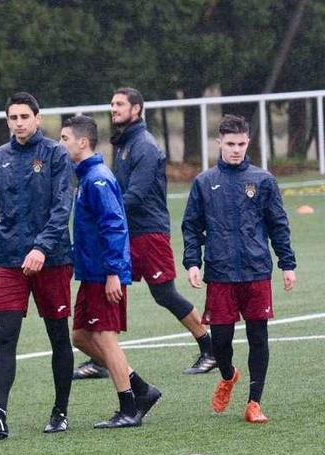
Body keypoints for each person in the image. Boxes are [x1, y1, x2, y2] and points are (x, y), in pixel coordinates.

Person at [73, 87, 215, 379]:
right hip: (126, 232)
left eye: (120, 104)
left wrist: (102, 211)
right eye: (112, 104)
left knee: (164, 293)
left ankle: (209, 347)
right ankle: (102, 359)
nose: (114, 109)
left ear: (136, 109)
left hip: (148, 233)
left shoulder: (145, 146)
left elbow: (134, 196)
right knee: (108, 292)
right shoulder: (124, 143)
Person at [182, 114, 297, 423]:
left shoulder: (262, 180)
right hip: (220, 274)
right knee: (220, 341)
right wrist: (192, 261)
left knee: (259, 336)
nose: (236, 149)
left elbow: (278, 225)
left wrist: (287, 264)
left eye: (241, 144)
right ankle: (229, 375)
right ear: (219, 142)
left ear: (249, 143)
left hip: (256, 272)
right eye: (230, 144)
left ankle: (254, 402)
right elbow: (191, 227)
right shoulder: (205, 182)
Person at [0, 92, 74, 439]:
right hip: (10, 260)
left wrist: (42, 248)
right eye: (13, 118)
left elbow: (62, 207)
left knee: (58, 335)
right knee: (5, 335)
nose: (18, 123)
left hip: (53, 260)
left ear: (37, 118)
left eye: (24, 117)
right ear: (7, 121)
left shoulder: (56, 154)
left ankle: (60, 412)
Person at [60, 115, 161, 428]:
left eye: (65, 138)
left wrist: (115, 273)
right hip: (90, 274)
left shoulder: (98, 179)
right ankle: (141, 388)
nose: (61, 144)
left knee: (106, 338)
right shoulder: (86, 177)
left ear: (82, 142)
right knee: (80, 336)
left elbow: (115, 226)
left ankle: (129, 407)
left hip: (104, 274)